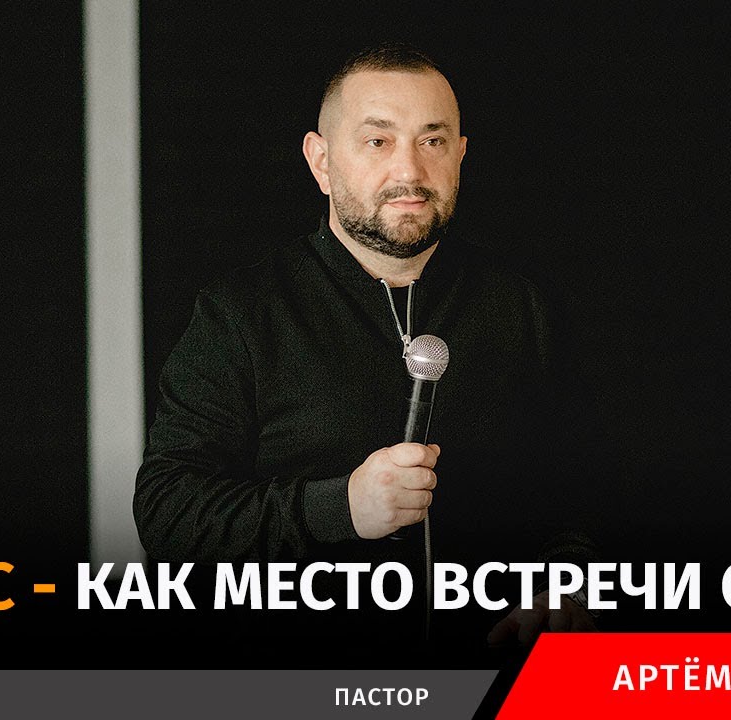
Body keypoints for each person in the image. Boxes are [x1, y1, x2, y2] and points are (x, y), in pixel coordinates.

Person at [133, 44, 598, 657]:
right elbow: (167, 513)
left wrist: (568, 585)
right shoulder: (242, 314)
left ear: (460, 154)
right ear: (322, 162)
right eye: (378, 141)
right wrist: (339, 508)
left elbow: (582, 487)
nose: (409, 170)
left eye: (432, 141)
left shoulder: (522, 305)